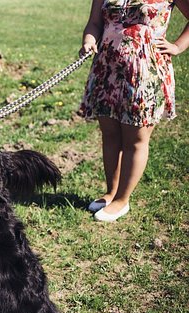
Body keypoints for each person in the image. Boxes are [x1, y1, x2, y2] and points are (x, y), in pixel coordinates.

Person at [79, 0, 189, 222]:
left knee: (135, 139)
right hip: (107, 68)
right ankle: (111, 192)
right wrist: (89, 40)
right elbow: (94, 23)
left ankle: (122, 200)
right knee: (110, 135)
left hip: (145, 70)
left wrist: (177, 46)